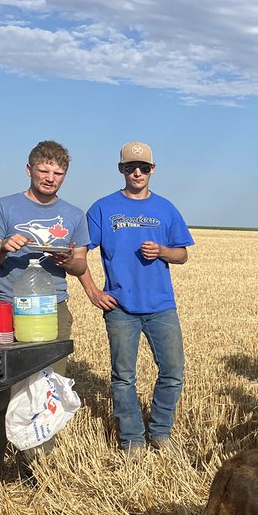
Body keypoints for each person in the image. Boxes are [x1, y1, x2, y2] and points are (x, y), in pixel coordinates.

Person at [0, 140, 88, 483]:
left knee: (48, 393)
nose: (50, 178)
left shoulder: (74, 215)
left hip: (54, 311)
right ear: (29, 169)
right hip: (8, 310)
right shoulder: (2, 208)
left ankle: (37, 472)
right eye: (44, 170)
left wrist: (68, 260)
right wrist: (5, 248)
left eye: (58, 172)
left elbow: (81, 265)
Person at [79, 141, 193, 454]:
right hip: (120, 308)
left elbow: (182, 255)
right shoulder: (103, 208)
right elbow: (78, 255)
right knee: (123, 377)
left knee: (172, 372)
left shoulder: (166, 208)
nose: (137, 172)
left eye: (143, 167)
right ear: (121, 170)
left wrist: (163, 252)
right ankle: (131, 439)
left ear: (152, 169)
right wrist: (93, 292)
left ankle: (160, 433)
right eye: (131, 167)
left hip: (161, 306)